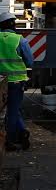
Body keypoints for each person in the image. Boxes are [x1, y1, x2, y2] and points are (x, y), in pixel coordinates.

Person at [1, 12, 33, 152]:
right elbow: (29, 61)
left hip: (1, 82)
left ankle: (21, 132)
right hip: (16, 82)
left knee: (9, 110)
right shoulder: (20, 40)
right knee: (13, 111)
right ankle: (10, 140)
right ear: (13, 24)